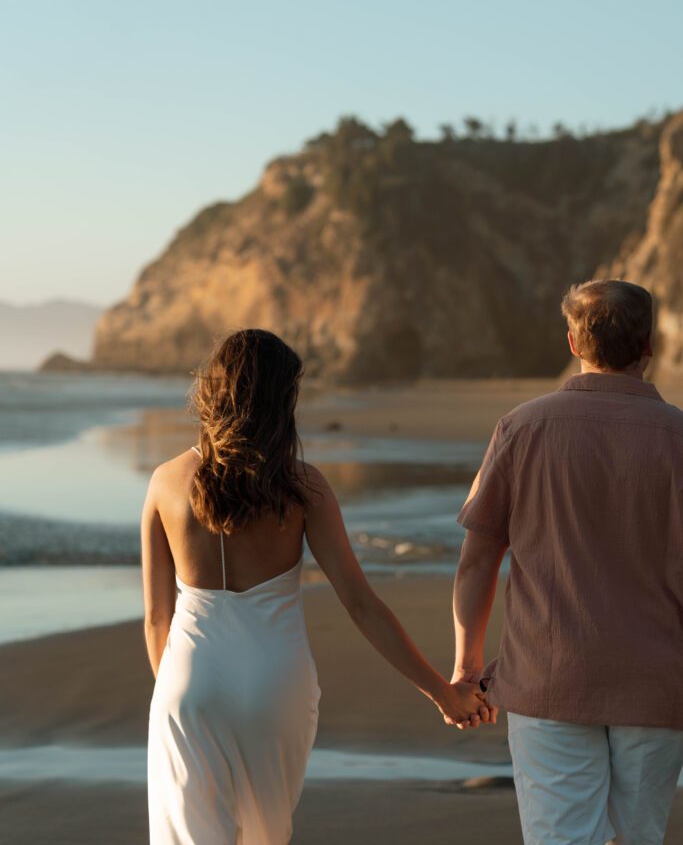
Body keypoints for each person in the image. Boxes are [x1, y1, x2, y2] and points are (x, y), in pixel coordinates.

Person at [143, 328, 488, 845]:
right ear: (281, 401)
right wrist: (444, 694)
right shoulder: (303, 488)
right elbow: (362, 605)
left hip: (187, 682)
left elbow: (157, 619)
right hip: (276, 684)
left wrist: (178, 691)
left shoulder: (165, 481)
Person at [451, 279, 683, 845]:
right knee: (638, 837)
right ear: (649, 346)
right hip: (657, 682)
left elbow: (478, 559)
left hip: (548, 677)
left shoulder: (522, 427)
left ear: (573, 342)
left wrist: (468, 666)